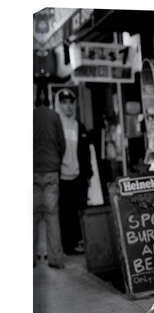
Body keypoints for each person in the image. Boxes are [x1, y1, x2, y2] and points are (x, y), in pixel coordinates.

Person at [55, 88, 93, 254]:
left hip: (79, 177)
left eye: (71, 103)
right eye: (64, 103)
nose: (68, 107)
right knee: (65, 214)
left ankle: (80, 241)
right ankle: (68, 246)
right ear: (59, 104)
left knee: (80, 211)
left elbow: (86, 153)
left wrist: (88, 174)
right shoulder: (55, 127)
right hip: (61, 178)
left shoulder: (80, 126)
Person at [33, 85, 66, 268]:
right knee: (52, 217)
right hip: (52, 171)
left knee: (33, 217)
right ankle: (55, 259)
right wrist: (56, 161)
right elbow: (62, 143)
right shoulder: (54, 116)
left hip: (32, 172)